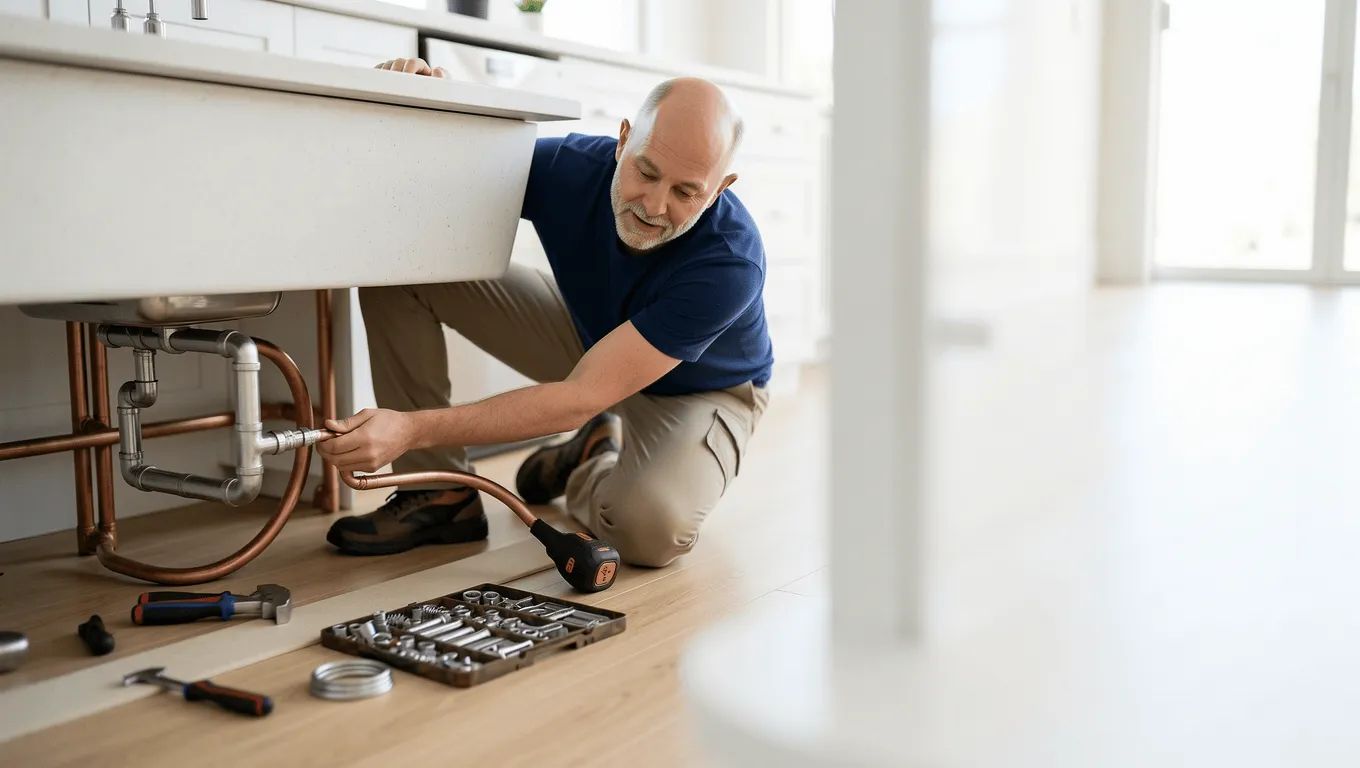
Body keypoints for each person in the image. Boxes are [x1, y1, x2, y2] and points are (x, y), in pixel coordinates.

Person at [318, 58, 774, 568]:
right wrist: (435, 110)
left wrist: (411, 426)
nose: (654, 204)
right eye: (646, 171)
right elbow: (457, 170)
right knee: (404, 267)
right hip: (593, 339)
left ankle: (591, 461)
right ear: (623, 139)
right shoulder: (571, 167)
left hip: (701, 392)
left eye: (686, 192)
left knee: (650, 530)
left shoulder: (730, 261)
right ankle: (443, 497)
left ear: (721, 188)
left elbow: (580, 396)